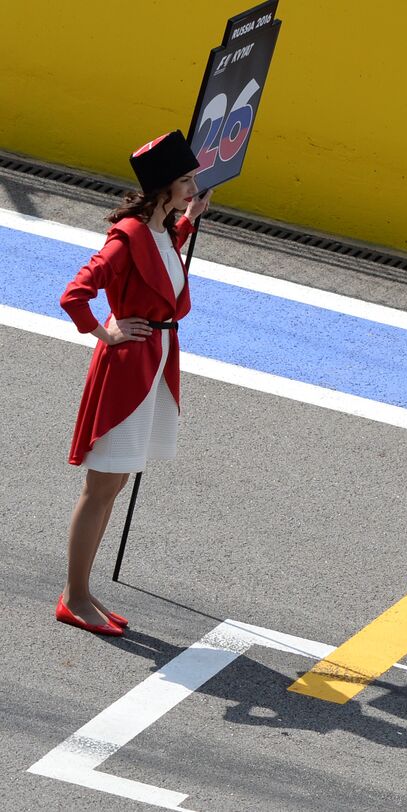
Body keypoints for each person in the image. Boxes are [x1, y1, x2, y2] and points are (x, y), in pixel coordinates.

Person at [56, 131, 209, 636]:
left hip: (154, 363)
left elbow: (161, 260)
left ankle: (84, 591)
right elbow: (74, 294)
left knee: (114, 482)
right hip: (128, 370)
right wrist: (106, 330)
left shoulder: (163, 228)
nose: (193, 186)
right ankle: (75, 596)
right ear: (163, 185)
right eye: (185, 181)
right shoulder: (127, 236)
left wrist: (190, 219)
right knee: (101, 485)